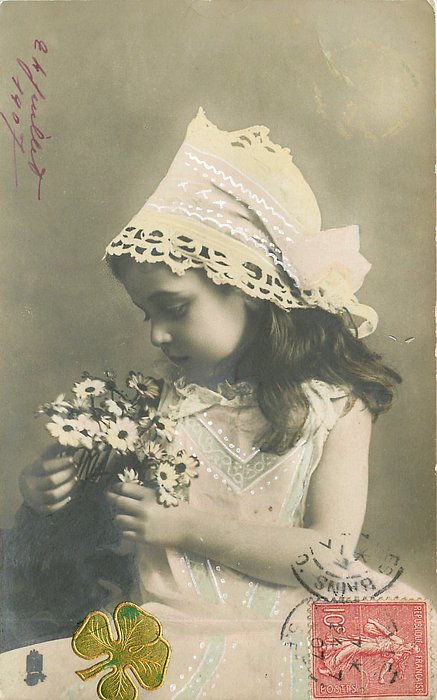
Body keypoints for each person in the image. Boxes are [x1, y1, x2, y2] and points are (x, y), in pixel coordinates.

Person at [8, 109, 408, 697]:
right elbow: (95, 519)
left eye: (174, 308)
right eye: (147, 315)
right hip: (169, 634)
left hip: (297, 630)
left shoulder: (336, 407)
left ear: (248, 288)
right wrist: (45, 493)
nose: (156, 335)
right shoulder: (159, 408)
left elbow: (328, 557)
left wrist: (184, 526)